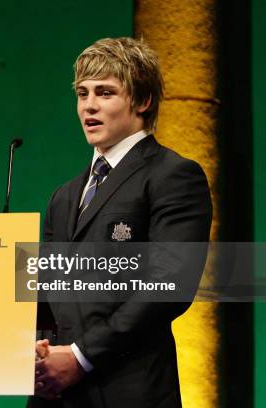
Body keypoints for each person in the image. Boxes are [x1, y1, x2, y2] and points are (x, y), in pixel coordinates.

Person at [30, 37, 212, 407]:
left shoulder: (173, 176)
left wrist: (80, 357)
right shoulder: (64, 196)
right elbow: (49, 288)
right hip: (58, 395)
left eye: (105, 93)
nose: (89, 106)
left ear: (142, 101)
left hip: (129, 392)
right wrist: (36, 349)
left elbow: (168, 287)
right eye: (82, 93)